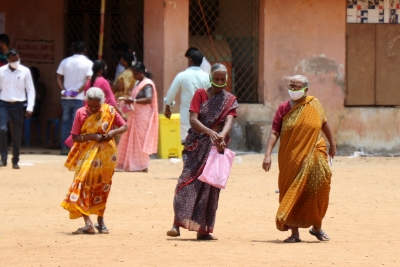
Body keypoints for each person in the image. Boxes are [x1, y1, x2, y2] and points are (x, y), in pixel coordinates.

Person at [166, 63, 238, 240]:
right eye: (216, 79)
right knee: (187, 181)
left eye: (223, 79)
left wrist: (221, 135)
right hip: (197, 145)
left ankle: (203, 230)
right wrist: (210, 132)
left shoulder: (230, 99)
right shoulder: (200, 94)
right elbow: (193, 119)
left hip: (216, 147)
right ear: (210, 78)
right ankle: (177, 223)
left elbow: (229, 120)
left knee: (210, 187)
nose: (220, 82)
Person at [261, 75, 336, 243]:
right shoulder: (283, 108)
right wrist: (267, 155)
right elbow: (274, 132)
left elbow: (324, 124)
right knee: (291, 191)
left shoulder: (314, 104)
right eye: (291, 86)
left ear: (306, 89)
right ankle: (294, 234)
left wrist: (332, 144)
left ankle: (316, 227)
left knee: (318, 188)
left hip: (314, 153)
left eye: (297, 87)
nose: (293, 89)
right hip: (291, 157)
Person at [61, 87, 128, 234]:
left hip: (106, 157)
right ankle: (88, 223)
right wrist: (91, 137)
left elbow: (124, 125)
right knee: (81, 185)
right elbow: (75, 137)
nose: (93, 109)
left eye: (96, 106)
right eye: (90, 105)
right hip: (87, 155)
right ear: (86, 102)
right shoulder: (81, 113)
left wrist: (113, 132)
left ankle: (100, 222)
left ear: (102, 103)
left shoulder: (109, 110)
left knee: (102, 187)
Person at [116, 62, 158, 172]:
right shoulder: (139, 83)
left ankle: (142, 165)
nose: (134, 76)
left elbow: (148, 99)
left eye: (136, 74)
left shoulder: (147, 84)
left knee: (140, 140)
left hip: (143, 116)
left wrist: (133, 101)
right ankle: (132, 164)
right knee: (132, 138)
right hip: (135, 115)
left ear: (142, 73)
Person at [164, 50, 210, 143]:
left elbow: (171, 93)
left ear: (190, 60)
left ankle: (188, 156)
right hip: (203, 113)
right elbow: (211, 95)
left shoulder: (182, 76)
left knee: (186, 138)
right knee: (201, 138)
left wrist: (168, 107)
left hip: (186, 113)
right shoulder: (207, 77)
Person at [56, 41, 93, 155]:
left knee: (66, 121)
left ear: (73, 50)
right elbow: (88, 80)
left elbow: (58, 77)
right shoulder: (88, 63)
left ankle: (64, 147)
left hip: (66, 97)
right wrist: (78, 91)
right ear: (85, 50)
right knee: (76, 123)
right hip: (79, 97)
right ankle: (74, 146)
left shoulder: (65, 61)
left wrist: (63, 90)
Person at [0, 49, 35, 169]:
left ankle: (15, 160)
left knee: (17, 132)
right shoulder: (2, 71)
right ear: (8, 59)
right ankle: (3, 158)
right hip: (4, 103)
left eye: (17, 59)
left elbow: (30, 90)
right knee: (2, 129)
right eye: (13, 60)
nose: (15, 61)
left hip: (19, 105)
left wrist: (30, 107)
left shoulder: (25, 71)